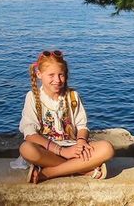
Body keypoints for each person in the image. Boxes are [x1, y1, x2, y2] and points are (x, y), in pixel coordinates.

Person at [18, 49, 114, 183]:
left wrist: (81, 141)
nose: (57, 80)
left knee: (107, 148)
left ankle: (49, 172)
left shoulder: (72, 96)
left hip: (73, 147)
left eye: (61, 75)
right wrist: (62, 151)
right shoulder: (33, 97)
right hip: (47, 150)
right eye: (51, 75)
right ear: (39, 74)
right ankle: (82, 169)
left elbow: (82, 126)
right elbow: (30, 134)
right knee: (26, 149)